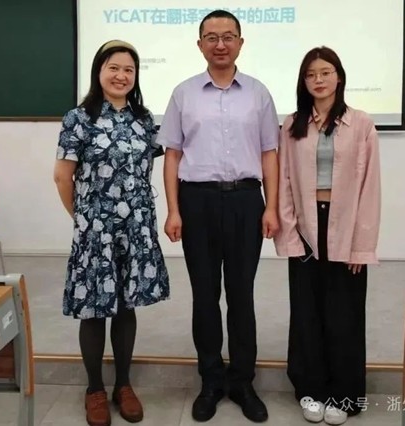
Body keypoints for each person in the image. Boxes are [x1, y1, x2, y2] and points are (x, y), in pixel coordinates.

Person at [156, 9, 279, 423]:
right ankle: (210, 381)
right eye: (212, 37)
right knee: (205, 295)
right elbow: (172, 155)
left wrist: (271, 206)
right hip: (197, 202)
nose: (220, 44)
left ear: (240, 42)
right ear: (200, 44)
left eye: (228, 36)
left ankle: (242, 381)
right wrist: (174, 210)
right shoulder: (183, 93)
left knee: (241, 295)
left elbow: (269, 153)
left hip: (246, 200)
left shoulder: (258, 93)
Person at [53, 39, 170, 426]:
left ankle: (123, 384)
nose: (121, 76)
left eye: (129, 70)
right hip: (95, 230)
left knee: (126, 305)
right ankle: (94, 389)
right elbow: (62, 177)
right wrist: (83, 219)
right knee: (94, 307)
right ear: (99, 72)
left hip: (136, 227)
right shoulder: (78, 118)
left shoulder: (144, 119)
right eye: (114, 68)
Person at [274, 46, 381, 426]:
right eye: (310, 74)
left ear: (339, 76)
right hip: (306, 226)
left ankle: (345, 394)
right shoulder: (293, 125)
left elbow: (370, 188)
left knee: (344, 313)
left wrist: (361, 246)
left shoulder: (361, 123)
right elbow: (284, 181)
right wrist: (290, 234)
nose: (318, 80)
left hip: (345, 226)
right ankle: (310, 388)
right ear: (303, 82)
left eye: (325, 72)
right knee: (306, 312)